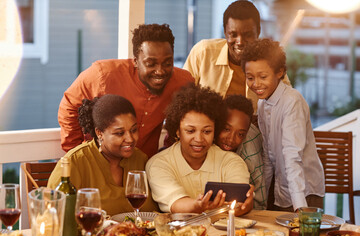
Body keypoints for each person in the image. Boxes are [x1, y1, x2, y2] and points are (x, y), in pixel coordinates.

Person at [58, 23, 194, 157]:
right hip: (100, 162)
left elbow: (183, 122)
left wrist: (169, 152)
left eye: (167, 63)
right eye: (151, 64)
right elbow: (69, 105)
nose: (160, 71)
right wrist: (76, 152)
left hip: (143, 165)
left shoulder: (182, 82)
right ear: (135, 61)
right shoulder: (103, 74)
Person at [241, 38, 325, 212]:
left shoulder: (292, 101)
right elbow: (268, 156)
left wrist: (300, 208)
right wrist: (261, 199)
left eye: (263, 77)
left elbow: (292, 156)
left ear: (280, 72)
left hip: (304, 191)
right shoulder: (263, 103)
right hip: (282, 189)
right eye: (250, 78)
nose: (256, 84)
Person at [146, 83, 254, 216]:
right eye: (190, 131)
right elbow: (176, 204)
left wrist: (245, 204)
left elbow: (239, 203)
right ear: (178, 131)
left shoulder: (232, 161)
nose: (199, 139)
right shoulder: (159, 164)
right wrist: (199, 205)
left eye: (207, 131)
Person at [48, 94, 159, 215]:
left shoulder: (140, 159)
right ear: (99, 133)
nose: (130, 139)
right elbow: (52, 215)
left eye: (133, 130)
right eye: (120, 133)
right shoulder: (74, 162)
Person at [183, 0, 290, 111]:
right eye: (233, 34)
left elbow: (286, 103)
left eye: (247, 35)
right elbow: (182, 98)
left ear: (258, 32)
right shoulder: (203, 52)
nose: (240, 42)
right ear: (225, 32)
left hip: (253, 128)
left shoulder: (271, 62)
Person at [216, 94, 266, 210]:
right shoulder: (206, 140)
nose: (231, 139)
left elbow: (260, 203)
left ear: (246, 133)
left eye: (240, 134)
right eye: (226, 129)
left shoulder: (250, 156)